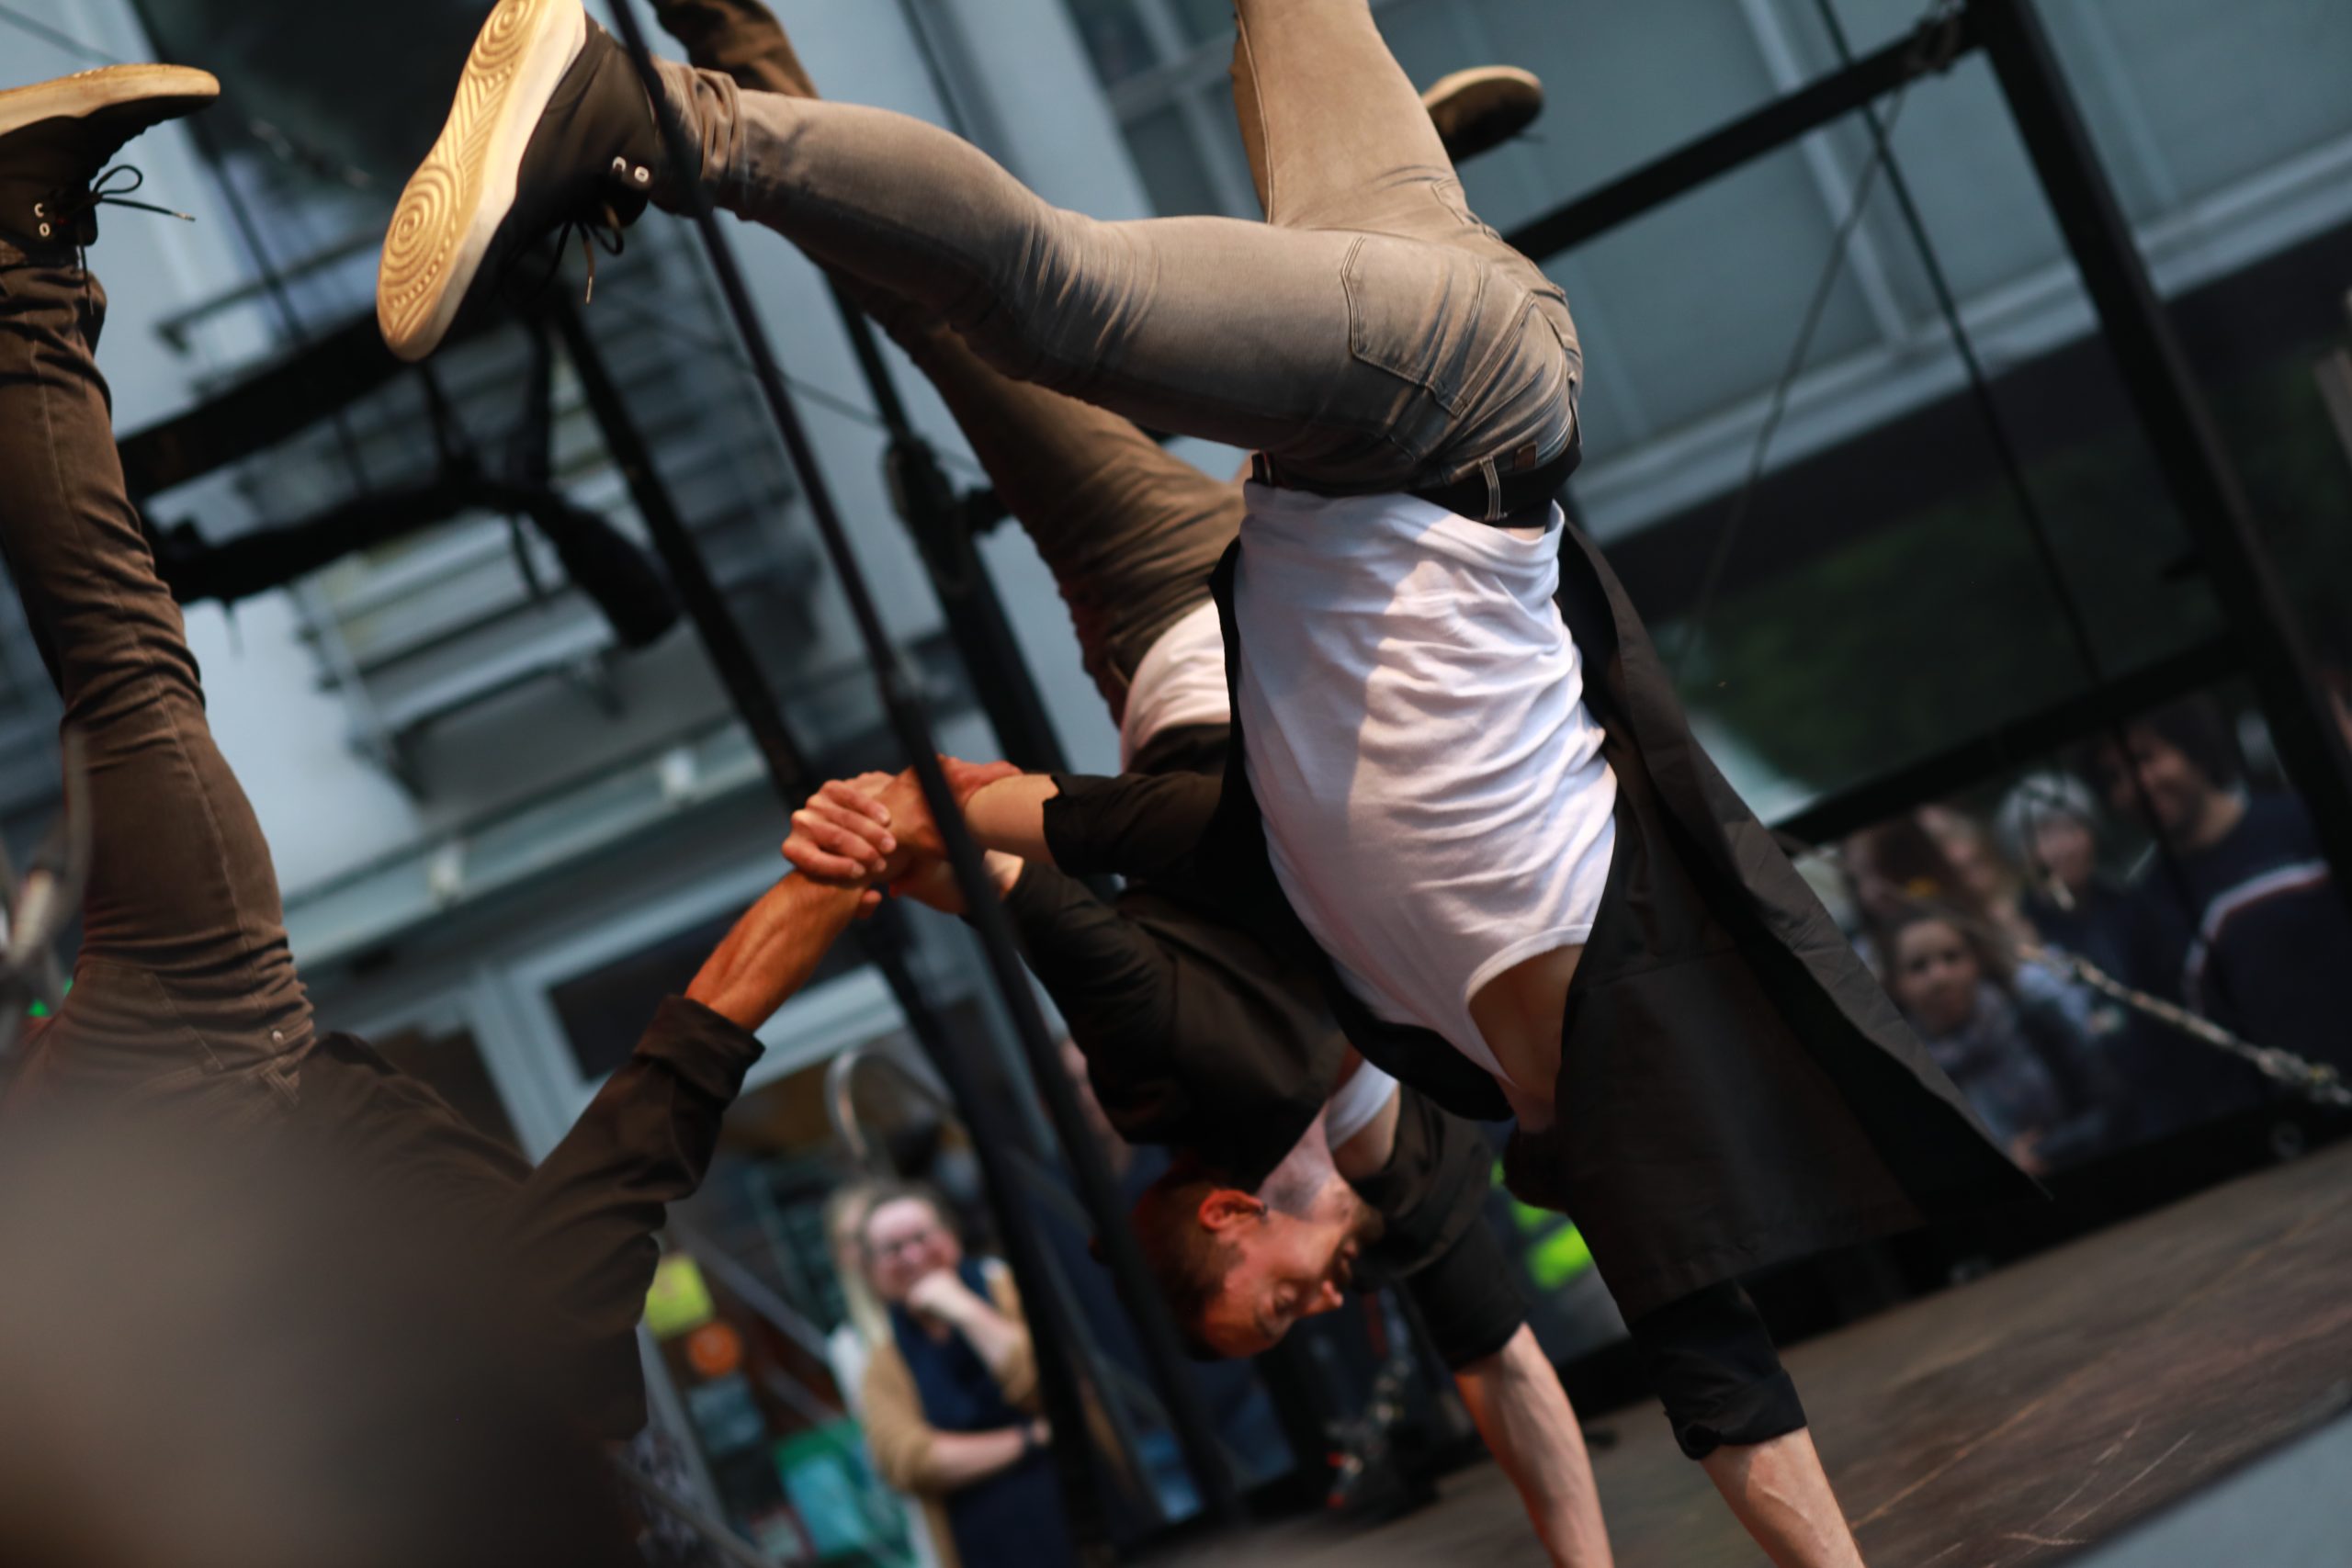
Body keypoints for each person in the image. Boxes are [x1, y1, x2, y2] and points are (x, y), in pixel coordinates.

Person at [386, 4, 2036, 1561]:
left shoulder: (1395, 1006)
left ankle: (1368, 215)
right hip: (1438, 416)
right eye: (1296, 1303)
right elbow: (1720, 1377)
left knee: (1186, 154)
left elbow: (1190, 825)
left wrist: (940, 809)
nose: (1327, 1299)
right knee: (1047, 301)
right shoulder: (1562, 1003)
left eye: (1284, 1312)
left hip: (1359, 431)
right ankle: (646, 109)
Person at [641, 4, 1607, 1557]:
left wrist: (904, 833)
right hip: (1316, 591)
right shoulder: (1384, 1147)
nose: (1317, 1305)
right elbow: (1506, 1367)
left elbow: (1030, 891)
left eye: (1271, 1305)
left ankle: (702, 64)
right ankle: (1395, 183)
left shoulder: (1183, 1069)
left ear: (1233, 1214)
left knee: (960, 310)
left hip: (1170, 594)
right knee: (1359, 369)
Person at [0, 62, 887, 1450]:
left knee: (127, 665)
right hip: (156, 1151)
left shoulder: (545, 1361)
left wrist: (838, 882)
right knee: (122, 667)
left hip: (209, 1079)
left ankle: (16, 265)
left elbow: (673, 1082)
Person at [2084, 698, 2352, 1104]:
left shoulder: (2302, 823)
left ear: (2192, 749)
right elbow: (2179, 1060)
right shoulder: (2143, 915)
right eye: (2113, 778)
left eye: (2145, 758)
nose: (2137, 784)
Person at [855, 1185, 1075, 1568]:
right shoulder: (882, 1363)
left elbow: (1052, 1384)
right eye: (892, 1249)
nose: (912, 1256)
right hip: (985, 1547)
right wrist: (1031, 1437)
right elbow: (911, 1461)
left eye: (921, 1237)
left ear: (951, 1235)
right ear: (873, 1271)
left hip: (1078, 1508)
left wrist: (963, 1309)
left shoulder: (1012, 1290)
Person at [1878, 906, 2117, 1176]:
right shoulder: (1904, 1070)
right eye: (1918, 966)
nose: (1939, 977)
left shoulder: (2033, 1020)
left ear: (1976, 961)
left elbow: (2109, 1109)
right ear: (1895, 984)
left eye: (1951, 957)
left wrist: (2045, 1152)